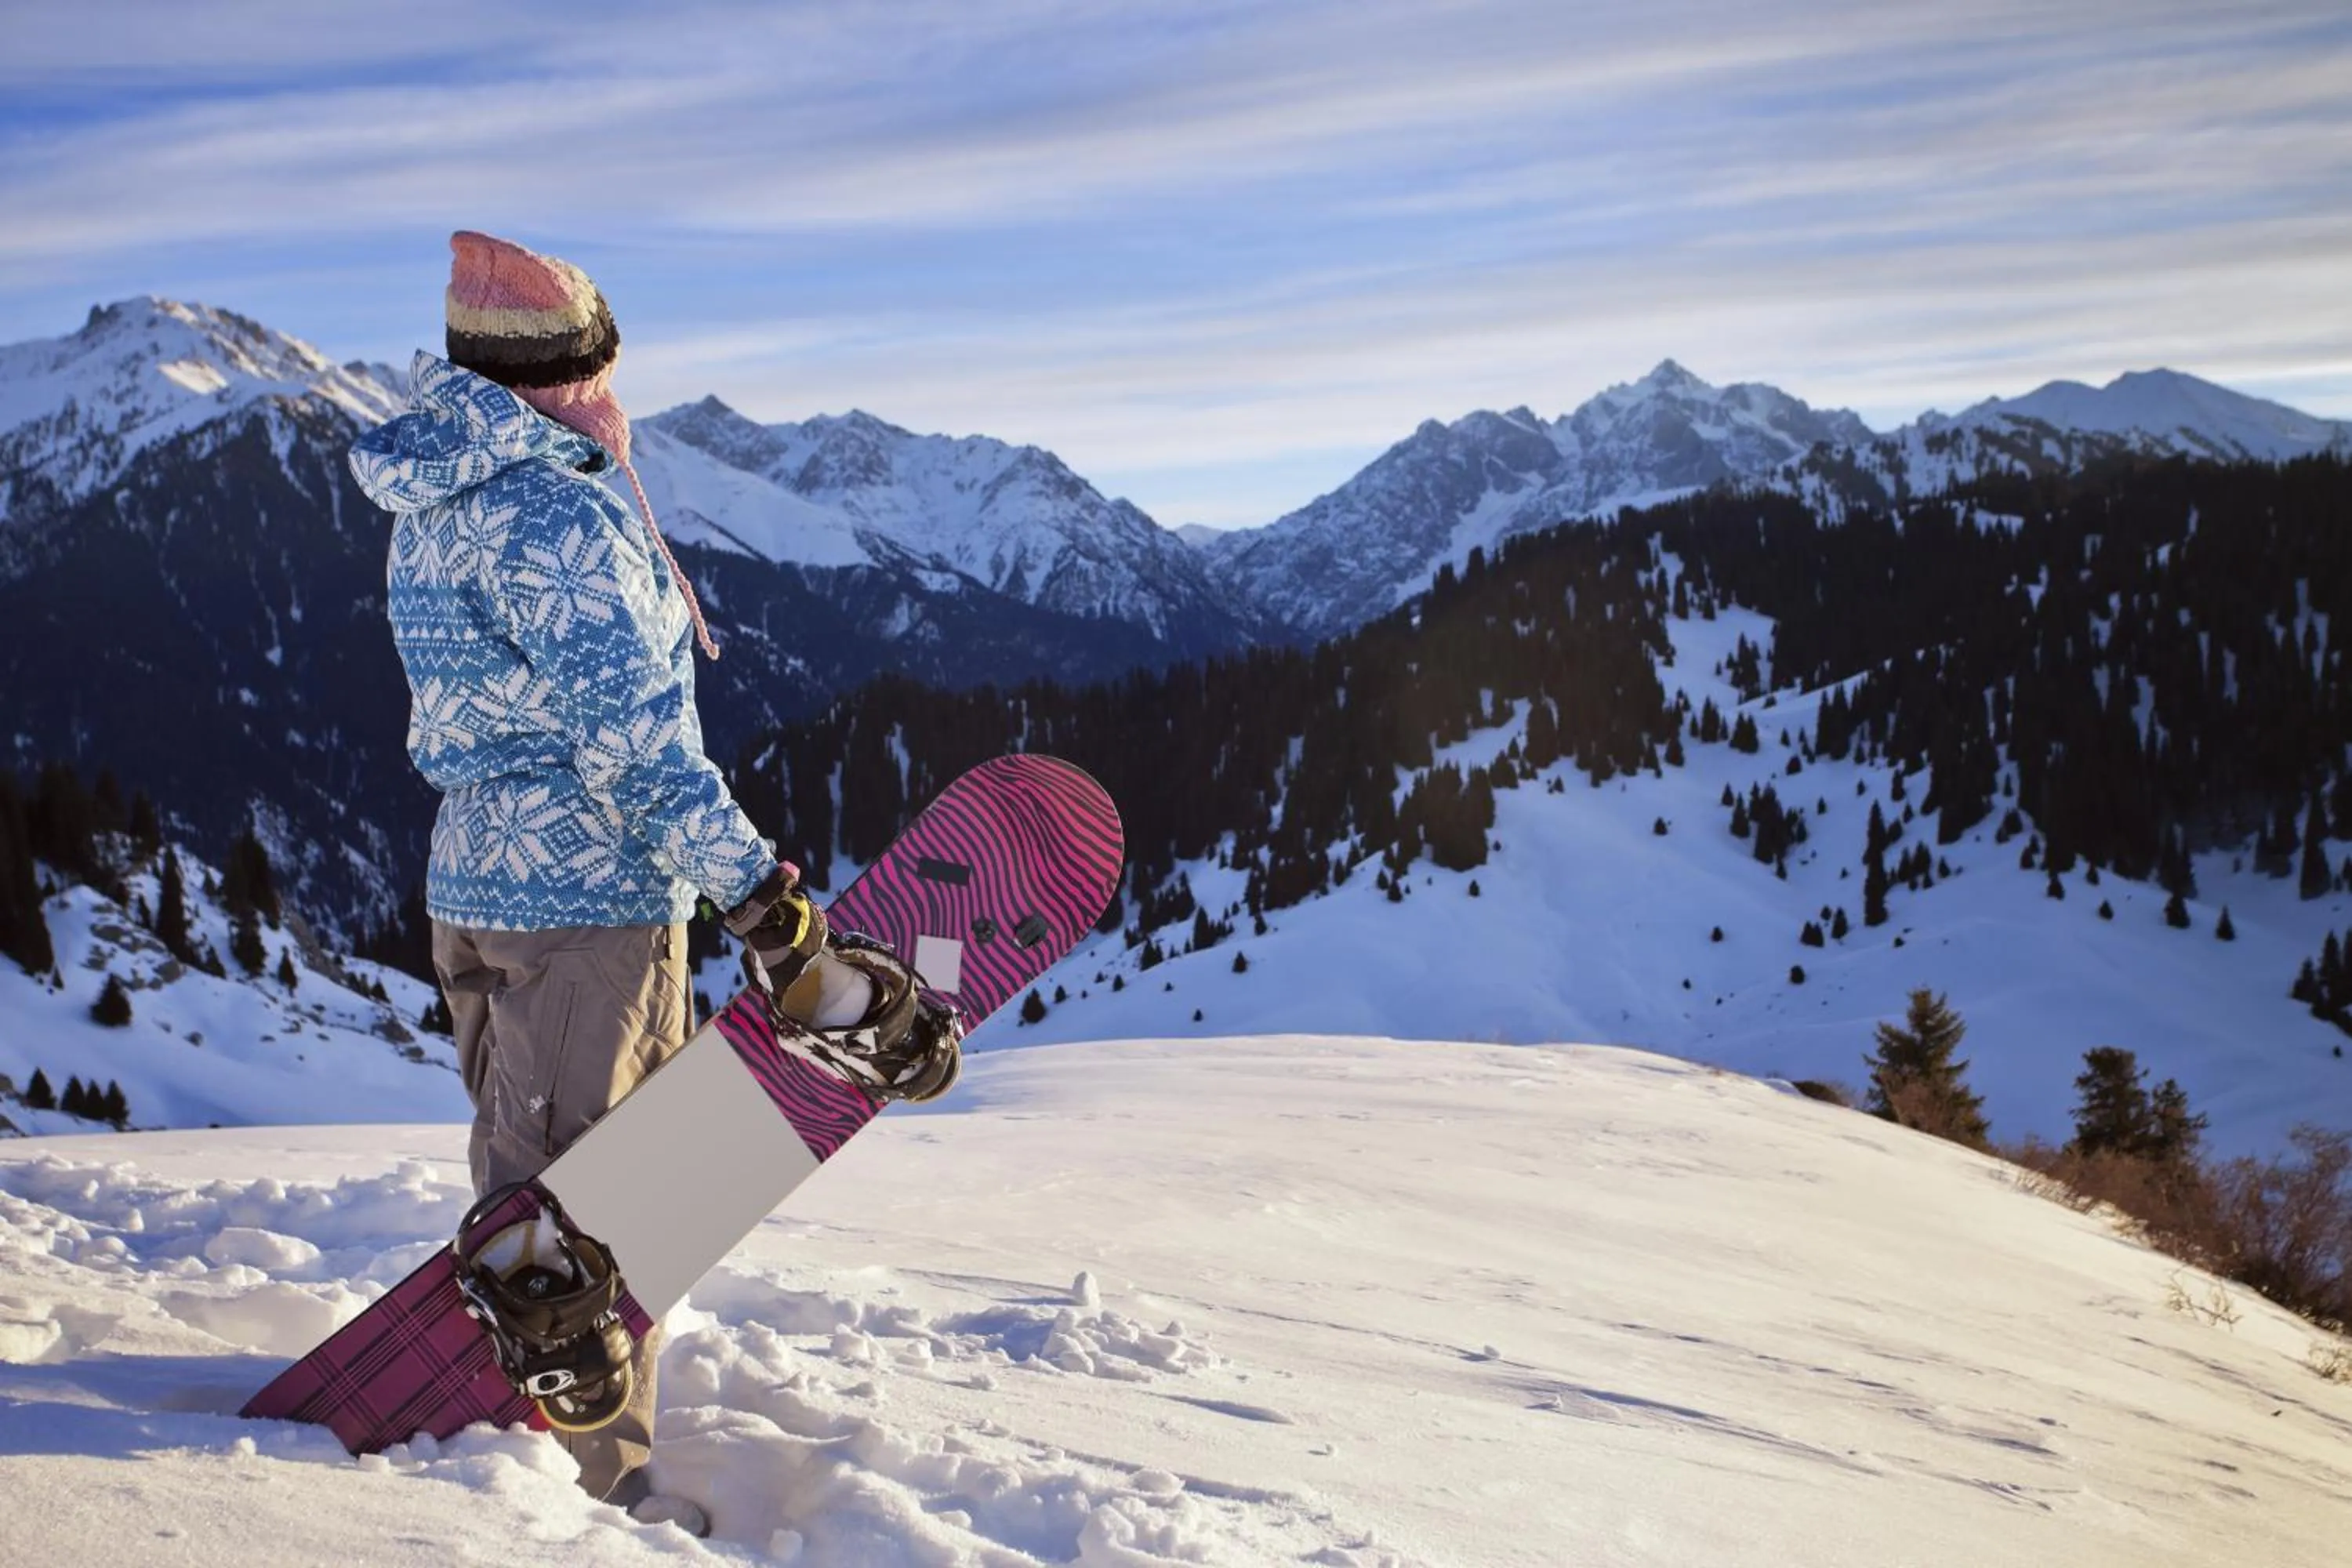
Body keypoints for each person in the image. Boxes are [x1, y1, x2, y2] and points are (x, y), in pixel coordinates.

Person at [346, 230, 930, 1532]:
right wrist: (768, 912)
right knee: (580, 1235)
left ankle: (566, 1476)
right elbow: (636, 749)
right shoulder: (555, 511)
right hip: (588, 909)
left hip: (480, 890)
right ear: (571, 364)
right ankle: (591, 1507)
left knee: (546, 1193)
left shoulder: (438, 492)